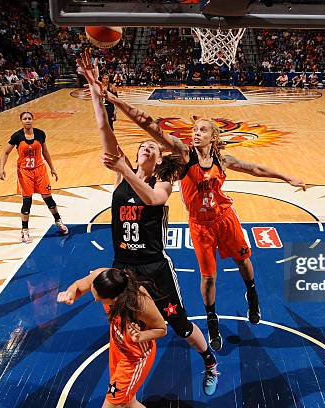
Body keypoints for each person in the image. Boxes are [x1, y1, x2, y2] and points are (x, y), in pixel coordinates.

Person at [95, 61, 306, 351]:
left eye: (202, 130)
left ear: (213, 136)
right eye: (194, 129)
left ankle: (252, 294)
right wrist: (117, 100)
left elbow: (255, 168)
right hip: (200, 225)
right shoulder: (182, 155)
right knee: (209, 278)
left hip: (225, 217)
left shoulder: (224, 160)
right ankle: (212, 322)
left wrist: (287, 177)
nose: (195, 133)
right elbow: (149, 123)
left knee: (244, 261)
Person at [76, 51, 220, 395]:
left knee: (178, 323)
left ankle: (210, 361)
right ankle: (129, 373)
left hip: (154, 267)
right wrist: (95, 88)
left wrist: (124, 169)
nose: (146, 149)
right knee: (121, 319)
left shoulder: (163, 179)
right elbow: (103, 127)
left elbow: (155, 201)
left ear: (159, 159)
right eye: (142, 146)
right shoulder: (121, 175)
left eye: (152, 148)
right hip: (123, 265)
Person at [57, 267, 166, 408]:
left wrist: (140, 336)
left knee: (113, 404)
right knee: (127, 402)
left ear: (116, 299)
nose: (95, 300)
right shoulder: (102, 277)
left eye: (100, 300)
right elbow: (79, 285)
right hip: (118, 347)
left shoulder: (139, 303)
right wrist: (70, 293)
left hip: (134, 358)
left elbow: (162, 329)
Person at [0, 112, 68, 243]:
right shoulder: (17, 136)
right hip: (25, 173)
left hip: (40, 170)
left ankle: (58, 221)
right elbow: (5, 152)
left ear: (33, 120)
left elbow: (45, 152)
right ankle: (25, 230)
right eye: (25, 119)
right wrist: (1, 168)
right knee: (27, 201)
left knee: (48, 198)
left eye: (29, 118)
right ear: (21, 121)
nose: (27, 121)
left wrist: (52, 167)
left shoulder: (40, 134)